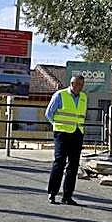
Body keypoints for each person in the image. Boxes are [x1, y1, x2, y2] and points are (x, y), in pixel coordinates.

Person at [45, 74, 87, 206]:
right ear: (71, 83)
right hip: (62, 133)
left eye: (81, 84)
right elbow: (49, 114)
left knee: (73, 166)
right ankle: (52, 193)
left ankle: (67, 196)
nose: (79, 87)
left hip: (77, 133)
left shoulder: (84, 98)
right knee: (59, 162)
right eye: (77, 84)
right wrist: (57, 126)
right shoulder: (60, 95)